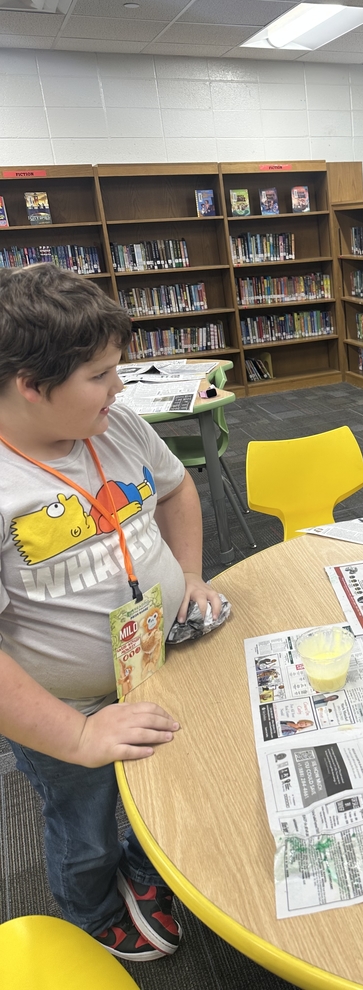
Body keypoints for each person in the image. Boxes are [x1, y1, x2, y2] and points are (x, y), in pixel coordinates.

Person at [0, 264, 222, 962]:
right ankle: (91, 912)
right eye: (99, 375)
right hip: (62, 706)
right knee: (84, 820)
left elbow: (178, 490)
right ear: (31, 386)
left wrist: (189, 573)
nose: (119, 388)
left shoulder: (117, 425)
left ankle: (139, 861)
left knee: (156, 788)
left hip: (150, 665)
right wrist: (76, 736)